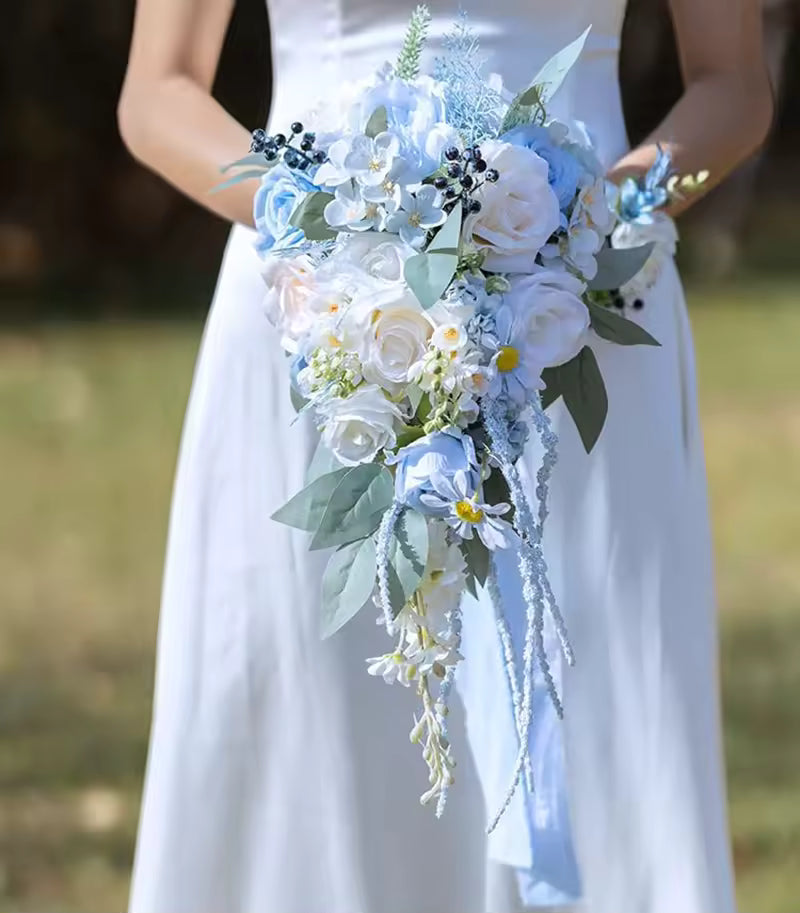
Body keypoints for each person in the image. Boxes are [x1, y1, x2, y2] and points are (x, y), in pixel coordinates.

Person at [118, 1, 772, 911]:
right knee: (320, 728)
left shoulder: (581, 257)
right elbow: (159, 90)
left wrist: (587, 221)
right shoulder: (318, 268)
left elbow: (733, 85)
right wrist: (319, 220)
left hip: (578, 318)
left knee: (597, 715)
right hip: (320, 321)